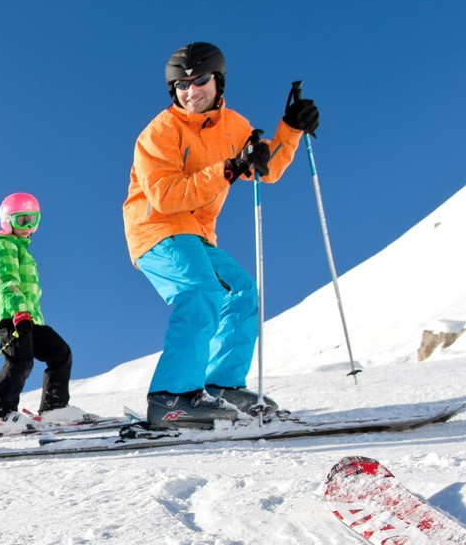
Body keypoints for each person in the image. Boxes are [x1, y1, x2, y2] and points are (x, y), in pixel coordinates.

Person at [122, 42, 320, 428]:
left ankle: (221, 386)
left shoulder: (235, 127)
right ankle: (172, 399)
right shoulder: (159, 132)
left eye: (200, 81)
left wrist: (291, 128)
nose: (191, 91)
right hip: (156, 227)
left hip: (197, 234)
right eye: (181, 85)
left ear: (218, 81)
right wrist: (228, 169)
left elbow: (266, 166)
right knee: (200, 291)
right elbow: (164, 196)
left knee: (242, 291)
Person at [0, 192, 80, 433]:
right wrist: (18, 312)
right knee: (19, 362)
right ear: (7, 220)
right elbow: (7, 279)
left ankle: (54, 407)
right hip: (11, 315)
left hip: (30, 318)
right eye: (21, 220)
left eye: (33, 220)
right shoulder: (1, 244)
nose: (28, 226)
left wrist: (28, 315)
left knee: (60, 353)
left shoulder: (23, 250)